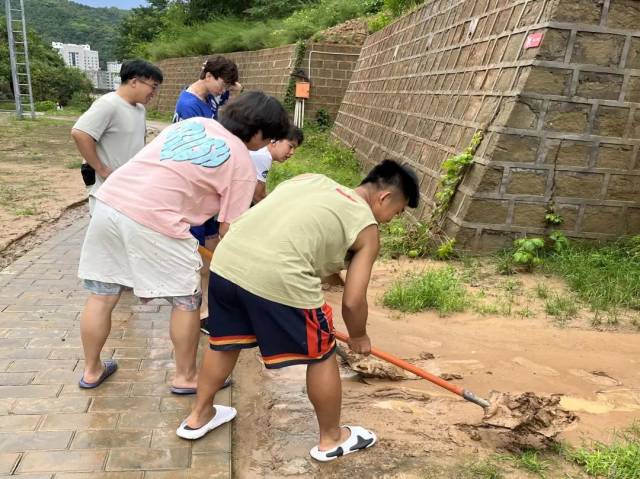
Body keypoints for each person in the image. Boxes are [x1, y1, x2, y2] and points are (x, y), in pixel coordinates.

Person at [176, 160, 420, 462]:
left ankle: (199, 416)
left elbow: (295, 229)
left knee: (225, 342)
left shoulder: (311, 179)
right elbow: (353, 302)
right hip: (280, 275)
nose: (391, 220)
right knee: (321, 354)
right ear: (385, 197)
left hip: (227, 262)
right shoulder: (367, 230)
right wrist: (359, 337)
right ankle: (332, 438)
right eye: (397, 212)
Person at [76, 91, 289, 395]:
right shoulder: (241, 160)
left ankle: (92, 370)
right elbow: (231, 229)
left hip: (109, 203)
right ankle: (186, 377)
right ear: (257, 132)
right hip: (156, 219)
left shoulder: (191, 124)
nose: (266, 144)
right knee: (187, 299)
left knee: (102, 293)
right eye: (268, 138)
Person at [172, 55, 242, 331]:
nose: (222, 90)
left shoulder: (213, 96)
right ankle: (199, 312)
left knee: (212, 246)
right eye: (220, 84)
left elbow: (230, 97)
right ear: (208, 75)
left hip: (208, 184)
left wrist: (232, 89)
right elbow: (200, 149)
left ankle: (214, 306)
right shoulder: (189, 105)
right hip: (194, 185)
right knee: (199, 252)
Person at [71, 59, 163, 213]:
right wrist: (102, 169)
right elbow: (80, 133)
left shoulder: (140, 109)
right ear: (134, 82)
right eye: (153, 87)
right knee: (106, 230)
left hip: (128, 185)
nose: (154, 93)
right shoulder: (108, 104)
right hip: (107, 188)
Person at [250, 126, 304, 204]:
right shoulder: (264, 155)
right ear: (276, 140)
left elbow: (260, 190)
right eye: (290, 146)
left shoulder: (263, 150)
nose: (292, 152)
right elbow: (258, 195)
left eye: (294, 149)